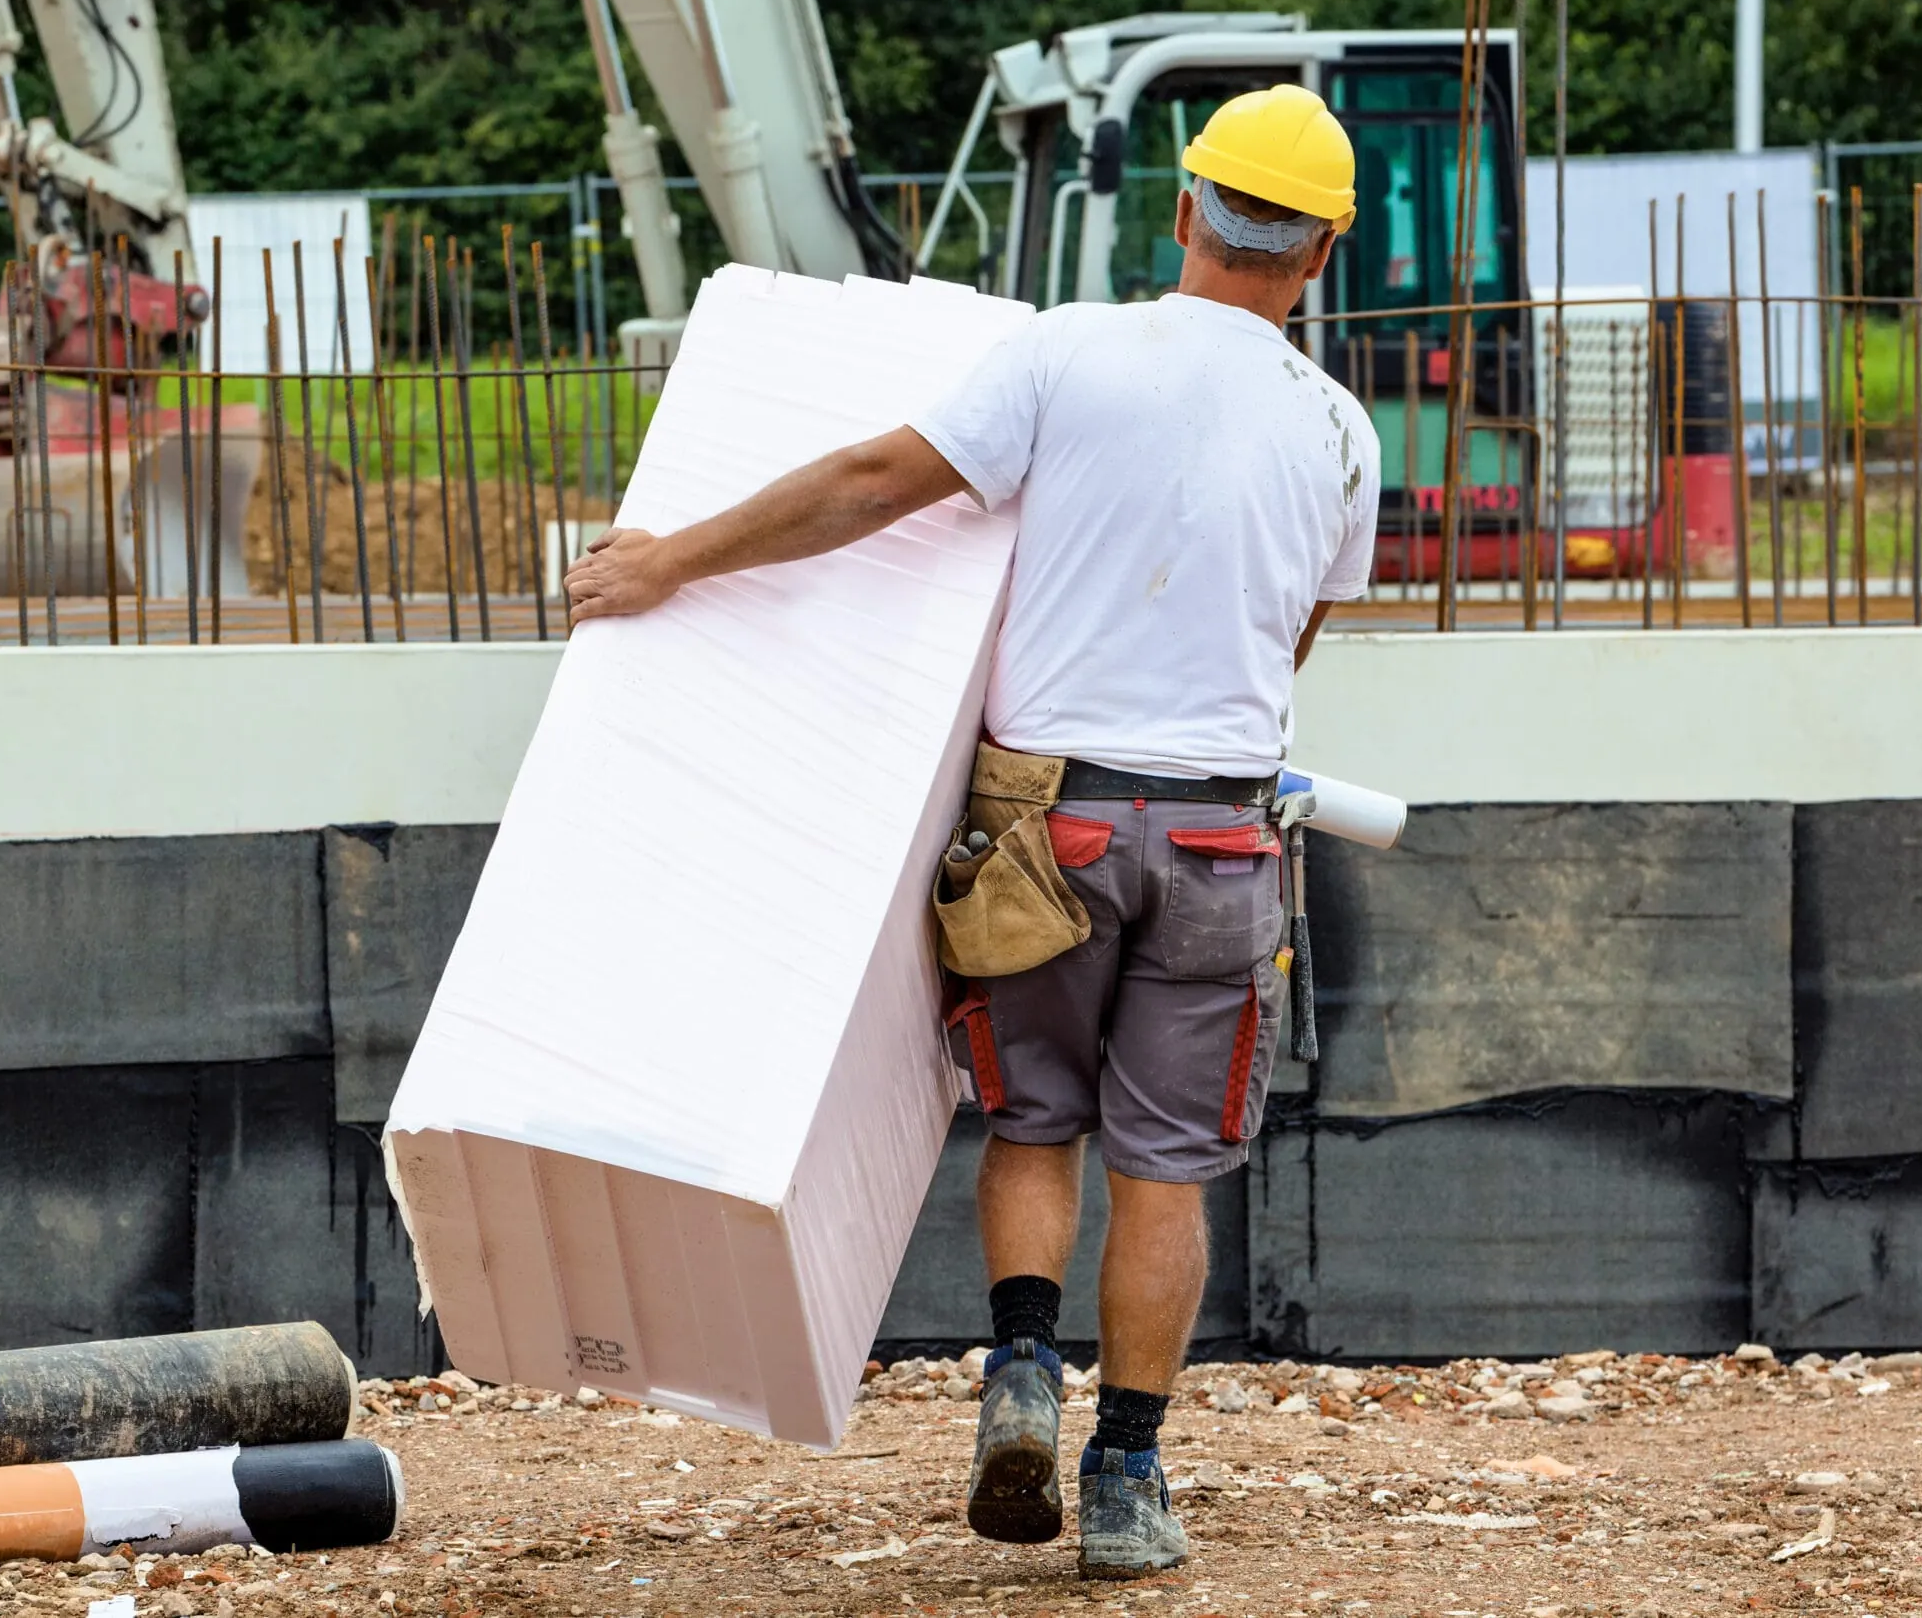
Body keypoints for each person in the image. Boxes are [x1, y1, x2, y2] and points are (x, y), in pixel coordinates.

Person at [563, 84, 1379, 1581]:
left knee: (1033, 1122)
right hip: (1217, 847)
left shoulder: (1067, 353)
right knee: (1167, 1171)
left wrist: (670, 563)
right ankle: (1126, 1475)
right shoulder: (1339, 432)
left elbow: (872, 485)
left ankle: (1017, 1368)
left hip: (1046, 826)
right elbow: (1293, 640)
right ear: (1320, 252)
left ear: (1184, 211)